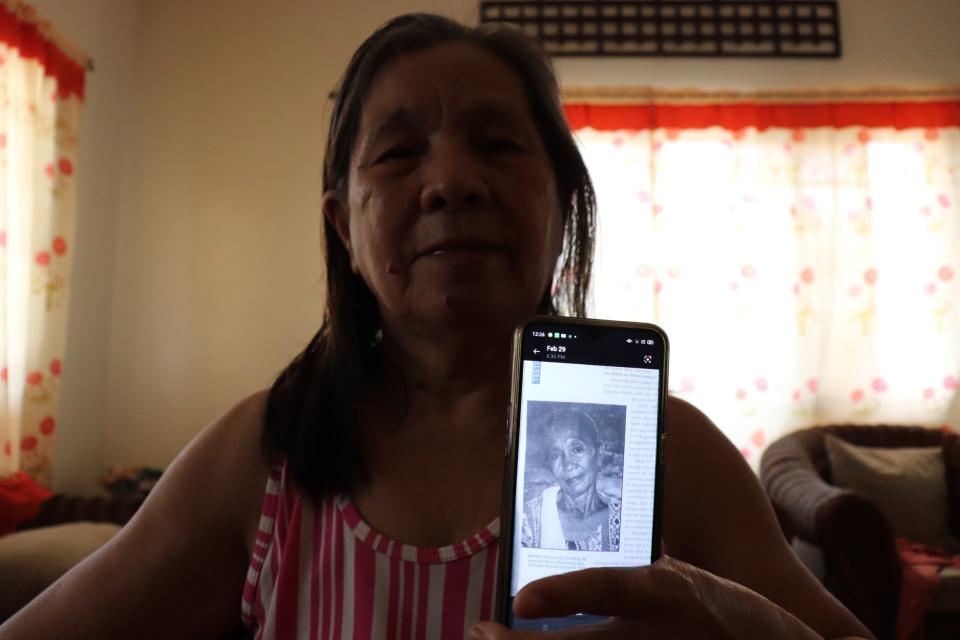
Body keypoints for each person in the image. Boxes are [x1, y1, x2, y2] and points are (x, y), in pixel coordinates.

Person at [0, 12, 875, 640]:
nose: (451, 180)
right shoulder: (258, 456)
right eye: (398, 151)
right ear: (344, 225)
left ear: (563, 203)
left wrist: (739, 624)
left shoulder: (666, 448)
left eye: (497, 144)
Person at [521, 409, 621, 552]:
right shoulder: (528, 521)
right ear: (549, 465)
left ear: (599, 454)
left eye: (577, 449)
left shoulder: (624, 520)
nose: (568, 465)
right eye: (555, 455)